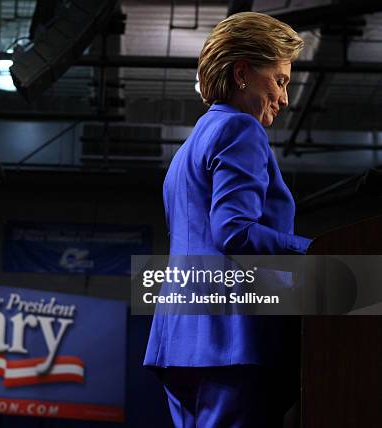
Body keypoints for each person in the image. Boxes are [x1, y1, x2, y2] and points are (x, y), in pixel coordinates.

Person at [144, 11, 313, 428]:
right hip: (231, 338)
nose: (285, 98)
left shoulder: (189, 147)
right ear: (242, 73)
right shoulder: (241, 129)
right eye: (280, 80)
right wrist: (313, 250)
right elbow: (233, 232)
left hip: (181, 341)